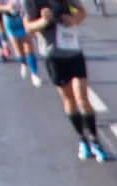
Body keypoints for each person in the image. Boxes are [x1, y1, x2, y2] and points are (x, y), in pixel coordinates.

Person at [24, 0, 107, 161]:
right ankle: (82, 139)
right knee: (68, 98)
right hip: (52, 55)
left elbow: (81, 12)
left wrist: (73, 20)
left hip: (73, 51)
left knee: (82, 98)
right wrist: (43, 21)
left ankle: (95, 140)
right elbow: (27, 27)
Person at [0, 0, 41, 84]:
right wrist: (7, 7)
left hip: (23, 19)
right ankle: (23, 63)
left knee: (29, 46)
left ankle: (34, 74)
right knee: (18, 50)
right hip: (10, 22)